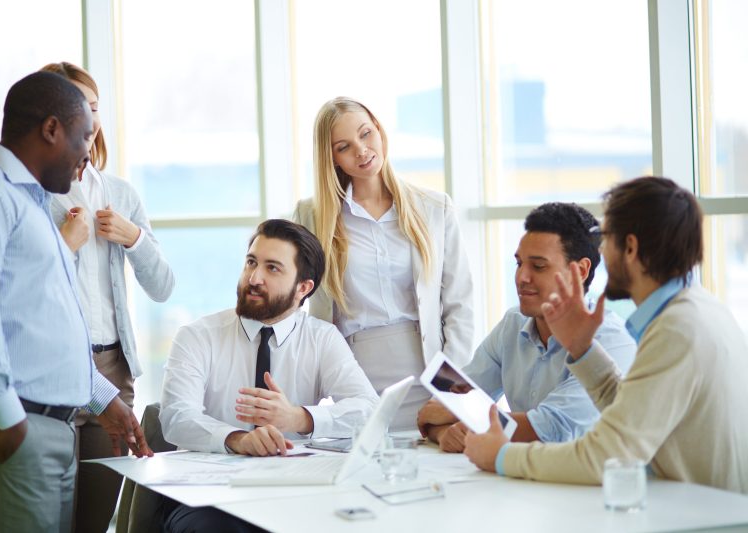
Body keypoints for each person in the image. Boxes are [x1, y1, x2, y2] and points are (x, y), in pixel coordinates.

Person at [0, 71, 152, 533]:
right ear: (50, 129)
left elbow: (44, 324)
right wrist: (9, 422)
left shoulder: (31, 203)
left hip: (47, 427)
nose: (87, 154)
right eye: (84, 137)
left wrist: (104, 399)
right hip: (14, 428)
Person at [464, 177, 748, 494]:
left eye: (605, 237)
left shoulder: (678, 329)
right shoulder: (694, 309)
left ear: (630, 247)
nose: (600, 251)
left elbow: (607, 455)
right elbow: (632, 416)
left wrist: (502, 456)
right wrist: (582, 350)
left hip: (704, 516)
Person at [159, 219, 378, 531]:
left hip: (292, 491)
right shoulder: (197, 336)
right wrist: (237, 440)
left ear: (303, 288)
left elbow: (370, 410)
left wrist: (299, 418)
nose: (254, 277)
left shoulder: (322, 338)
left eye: (272, 268)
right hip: (209, 494)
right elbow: (176, 418)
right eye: (251, 262)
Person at [41, 61, 174, 533]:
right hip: (50, 372)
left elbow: (163, 287)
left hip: (112, 371)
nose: (89, 120)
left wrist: (133, 237)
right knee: (47, 519)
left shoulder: (120, 193)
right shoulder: (32, 195)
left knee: (95, 522)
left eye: (94, 108)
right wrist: (65, 241)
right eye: (78, 108)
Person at [293, 97, 474, 430]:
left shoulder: (435, 208)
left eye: (365, 134)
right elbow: (299, 308)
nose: (362, 150)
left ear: (378, 127)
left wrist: (453, 390)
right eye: (345, 147)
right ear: (331, 158)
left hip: (429, 374)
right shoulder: (312, 217)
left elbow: (459, 304)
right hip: (355, 377)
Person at [417, 203, 636, 451]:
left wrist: (467, 419)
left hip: (585, 483)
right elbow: (441, 403)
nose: (522, 277)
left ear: (581, 271)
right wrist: (445, 431)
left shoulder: (612, 341)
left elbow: (550, 427)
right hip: (518, 476)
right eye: (519, 263)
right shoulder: (513, 324)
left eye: (539, 266)